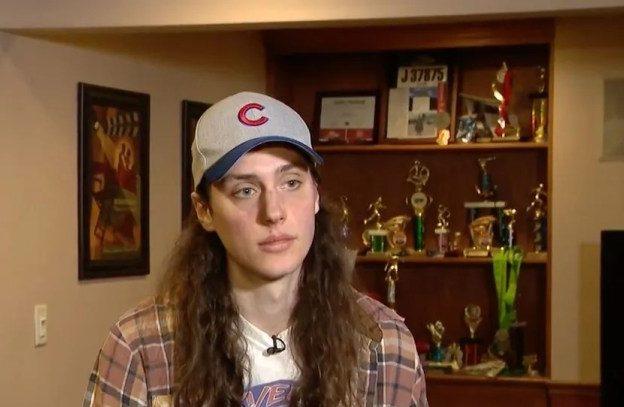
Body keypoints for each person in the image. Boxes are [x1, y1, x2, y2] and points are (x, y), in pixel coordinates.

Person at [83, 92, 428, 407]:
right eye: (245, 190)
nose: (274, 212)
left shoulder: (385, 344)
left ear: (316, 195)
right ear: (204, 210)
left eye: (291, 183)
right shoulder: (142, 347)